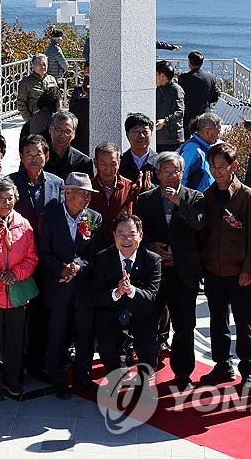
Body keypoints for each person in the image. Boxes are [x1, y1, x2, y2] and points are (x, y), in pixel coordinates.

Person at [134, 152, 206, 391]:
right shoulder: (145, 200)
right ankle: (146, 370)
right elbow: (137, 235)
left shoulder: (194, 197)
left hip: (184, 274)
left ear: (182, 173)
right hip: (154, 274)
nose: (170, 176)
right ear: (157, 174)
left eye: (175, 171)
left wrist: (179, 204)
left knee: (184, 326)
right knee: (146, 323)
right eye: (165, 171)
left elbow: (199, 224)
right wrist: (151, 245)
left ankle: (183, 374)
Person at [198, 142, 251, 391]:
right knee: (217, 321)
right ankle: (222, 365)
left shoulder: (247, 196)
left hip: (239, 271)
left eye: (221, 166)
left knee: (244, 323)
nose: (216, 171)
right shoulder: (208, 196)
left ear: (233, 166)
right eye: (212, 166)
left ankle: (249, 370)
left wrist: (248, 269)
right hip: (213, 271)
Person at [38, 172, 102, 397]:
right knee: (57, 334)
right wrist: (61, 268)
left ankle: (83, 377)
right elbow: (44, 252)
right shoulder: (49, 217)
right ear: (68, 192)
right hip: (58, 285)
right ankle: (58, 379)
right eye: (81, 193)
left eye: (88, 194)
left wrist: (77, 265)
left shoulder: (94, 218)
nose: (86, 198)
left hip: (83, 287)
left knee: (85, 333)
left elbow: (94, 253)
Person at [8, 134, 63, 380]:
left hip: (48, 261)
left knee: (43, 314)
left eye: (38, 154)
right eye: (28, 154)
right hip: (19, 261)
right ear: (21, 156)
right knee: (18, 316)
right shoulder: (10, 183)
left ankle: (37, 364)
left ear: (47, 156)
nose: (33, 158)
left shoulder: (57, 183)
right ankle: (14, 365)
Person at [0, 180, 39, 400]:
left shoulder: (24, 225)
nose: (6, 202)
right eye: (1, 198)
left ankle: (12, 376)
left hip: (17, 292)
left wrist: (15, 274)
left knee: (16, 338)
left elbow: (32, 257)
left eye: (10, 198)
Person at [94, 213, 162, 383]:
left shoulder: (152, 260)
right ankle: (115, 375)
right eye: (121, 234)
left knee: (149, 347)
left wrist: (131, 290)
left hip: (141, 313)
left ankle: (145, 382)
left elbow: (150, 297)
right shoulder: (103, 258)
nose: (126, 239)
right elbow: (97, 295)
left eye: (132, 234)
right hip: (112, 312)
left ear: (141, 235)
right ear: (114, 236)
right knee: (106, 347)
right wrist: (117, 293)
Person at [89, 143, 141, 244]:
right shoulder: (88, 189)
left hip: (122, 248)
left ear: (119, 163)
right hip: (94, 250)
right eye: (103, 164)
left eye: (113, 164)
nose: (108, 170)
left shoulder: (130, 188)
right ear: (95, 163)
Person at [177, 111, 221, 192]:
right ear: (207, 131)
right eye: (218, 132)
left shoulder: (203, 148)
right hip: (194, 200)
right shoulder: (193, 149)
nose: (218, 137)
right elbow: (181, 175)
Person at [179, 50, 220, 132]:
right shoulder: (211, 77)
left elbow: (180, 96)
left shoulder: (183, 78)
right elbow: (215, 96)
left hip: (188, 116)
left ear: (189, 63)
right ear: (202, 63)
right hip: (205, 114)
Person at [45, 111, 93, 180]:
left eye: (67, 131)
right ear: (50, 130)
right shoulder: (40, 157)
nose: (62, 135)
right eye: (59, 129)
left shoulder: (83, 162)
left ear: (73, 135)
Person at [119, 112, 158, 191]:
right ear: (127, 134)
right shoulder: (120, 162)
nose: (141, 136)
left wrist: (151, 188)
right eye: (136, 132)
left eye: (145, 132)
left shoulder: (160, 162)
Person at [16, 54, 58, 123]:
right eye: (40, 65)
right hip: (36, 119)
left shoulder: (52, 79)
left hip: (52, 118)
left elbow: (57, 98)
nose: (43, 67)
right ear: (33, 66)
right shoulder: (26, 82)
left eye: (45, 64)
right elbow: (21, 103)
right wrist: (29, 120)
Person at [154, 60, 185, 153]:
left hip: (172, 140)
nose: (154, 77)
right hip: (157, 138)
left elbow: (180, 112)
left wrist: (165, 121)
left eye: (156, 74)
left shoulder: (176, 90)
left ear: (162, 75)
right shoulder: (157, 89)